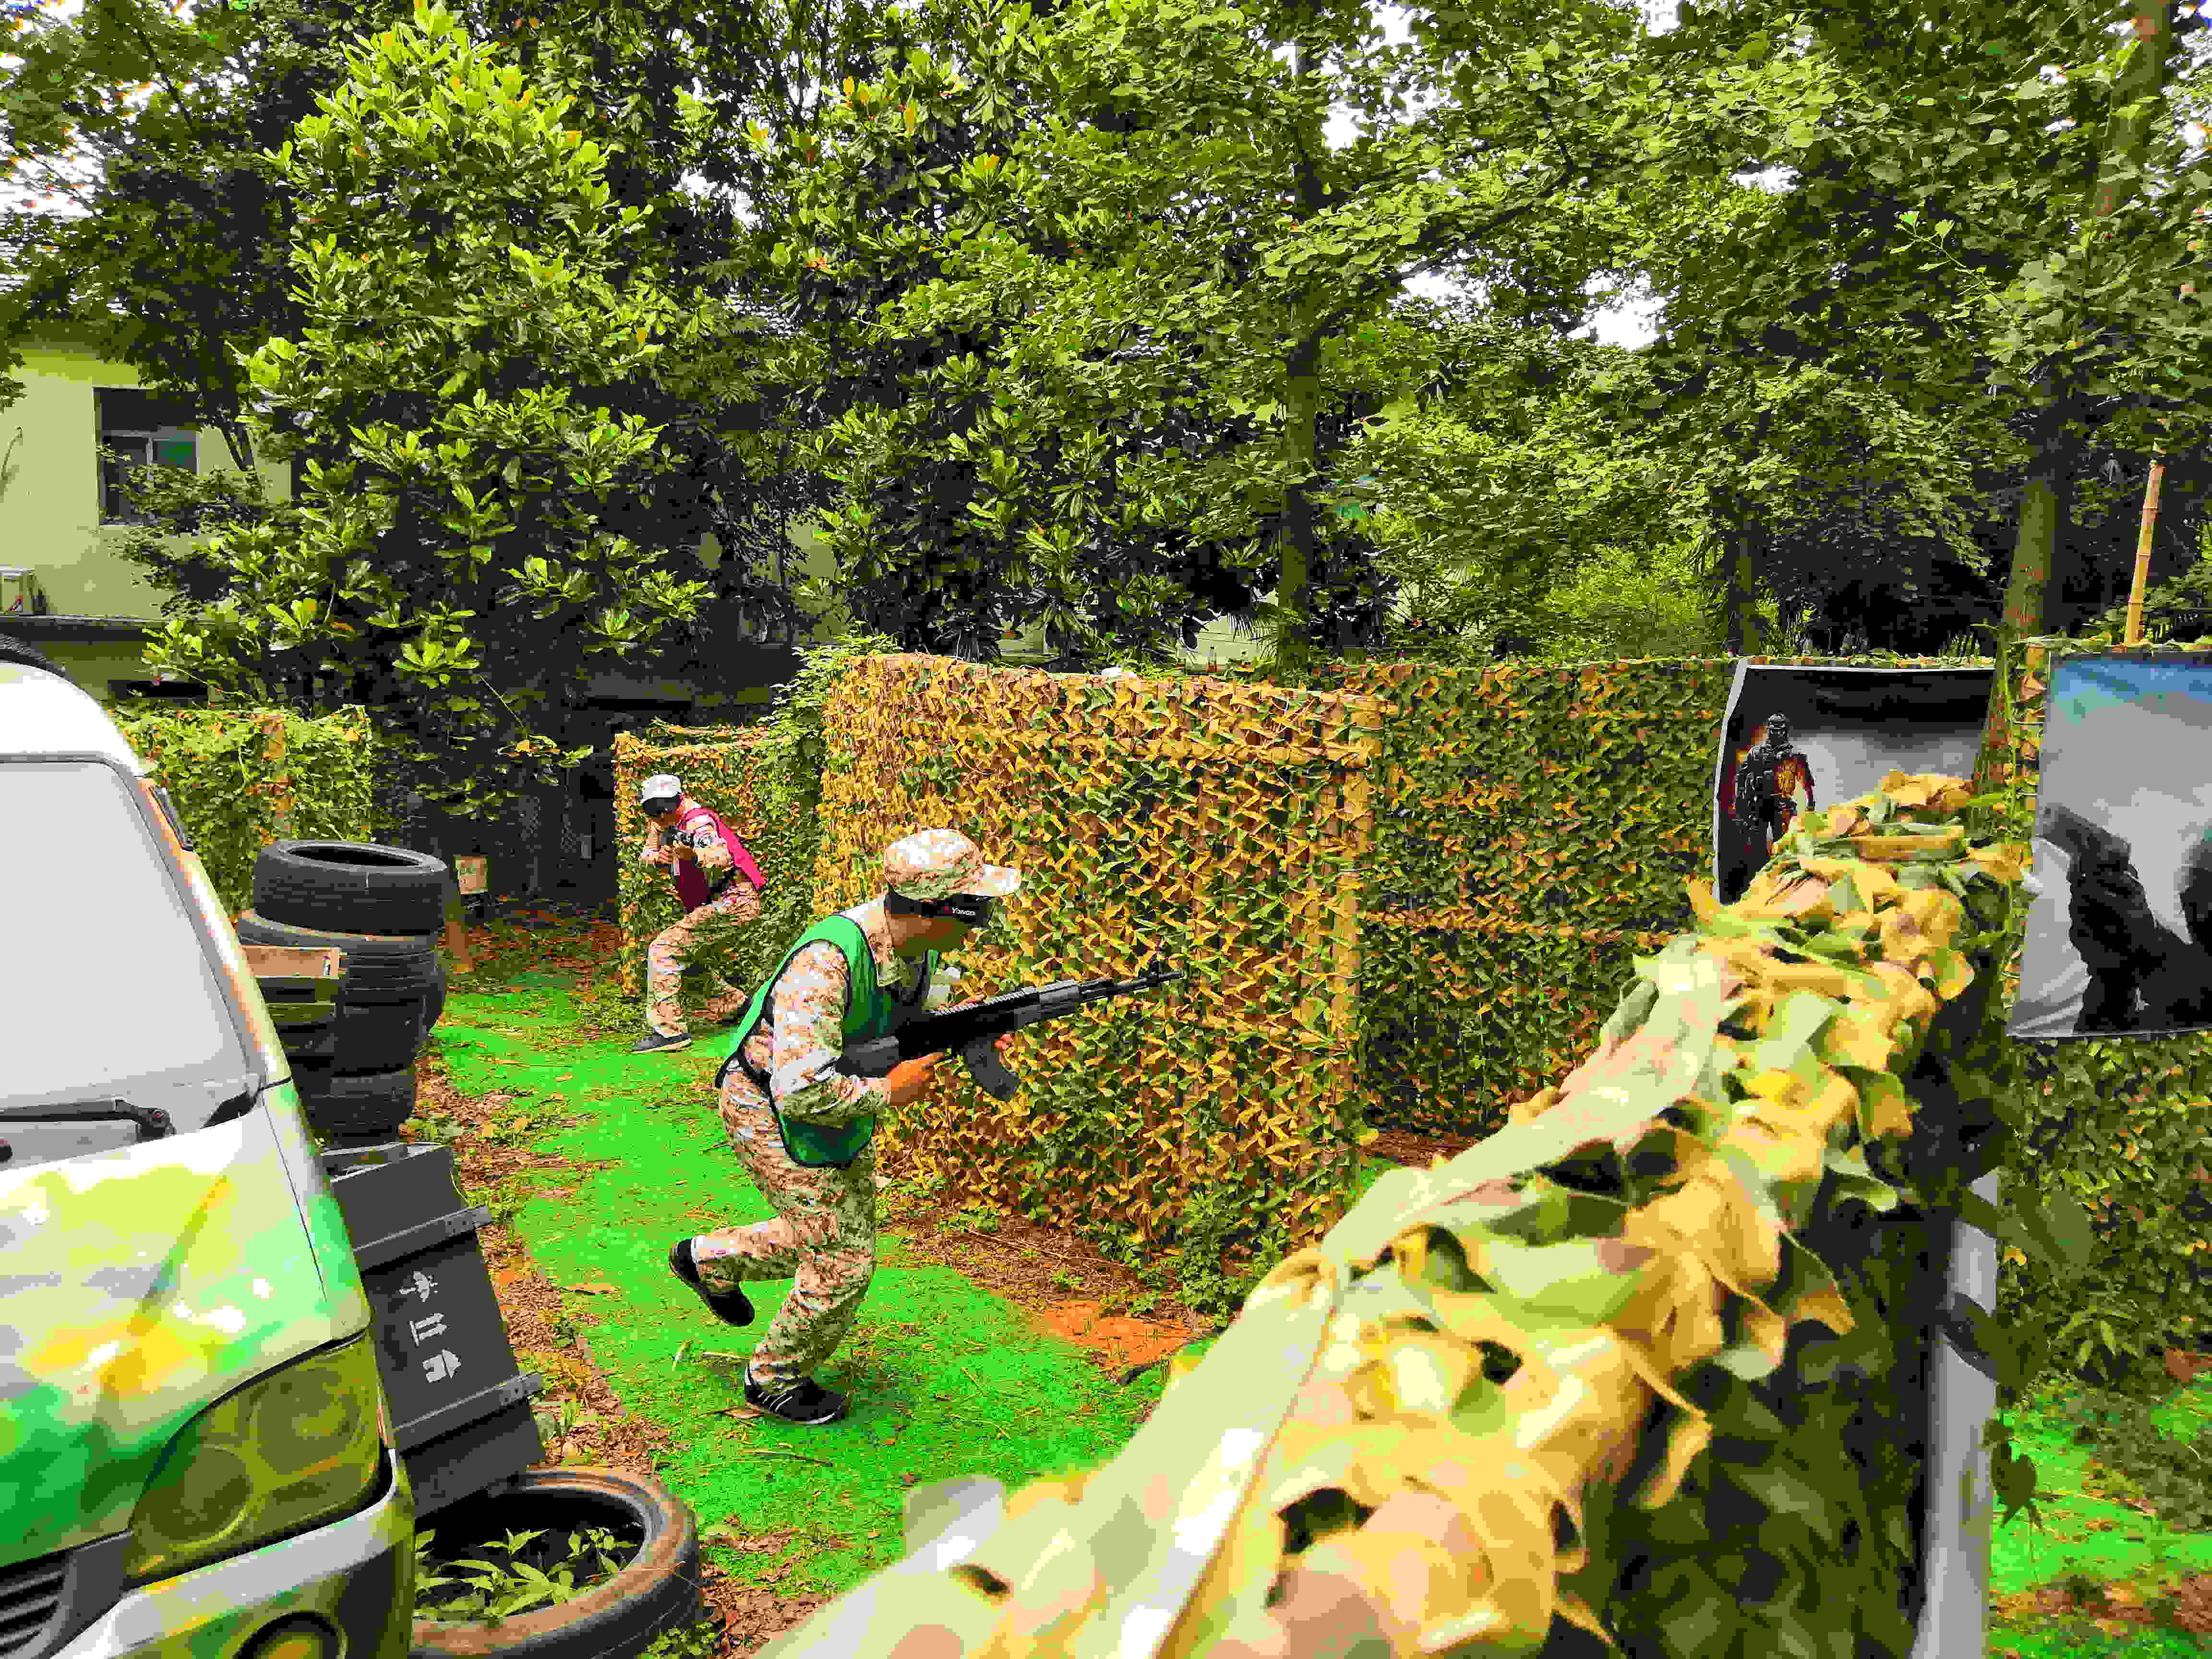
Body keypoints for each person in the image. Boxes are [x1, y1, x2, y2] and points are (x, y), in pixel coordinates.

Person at [665, 828, 1021, 1426]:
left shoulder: (915, 951)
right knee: (843, 1261)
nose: (983, 923)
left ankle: (709, 1260)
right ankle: (772, 1379)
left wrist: (960, 1032)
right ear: (939, 911)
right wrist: (890, 1090)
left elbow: (899, 1028)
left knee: (834, 1233)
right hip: (768, 1106)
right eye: (978, 909)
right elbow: (800, 1089)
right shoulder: (825, 964)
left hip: (830, 1093)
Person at [633, 773, 768, 1054]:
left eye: (664, 809)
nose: (660, 817)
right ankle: (737, 1005)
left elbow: (720, 858)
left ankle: (669, 1032)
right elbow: (645, 854)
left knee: (664, 949)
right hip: (720, 902)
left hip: (735, 900)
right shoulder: (661, 822)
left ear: (677, 801)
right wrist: (656, 858)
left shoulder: (698, 822)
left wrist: (691, 854)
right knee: (685, 959)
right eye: (654, 811)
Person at [1725, 713, 1818, 901]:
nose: (1775, 734)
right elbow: (1741, 779)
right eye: (1772, 730)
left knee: (1784, 848)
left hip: (1782, 806)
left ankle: (1783, 890)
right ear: (1768, 730)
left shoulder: (1795, 756)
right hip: (1758, 805)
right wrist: (1739, 804)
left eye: (1779, 731)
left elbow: (1807, 785)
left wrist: (1810, 810)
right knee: (1756, 850)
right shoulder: (1756, 753)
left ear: (1785, 732)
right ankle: (1756, 891)